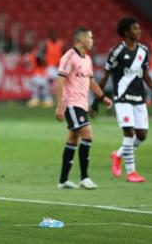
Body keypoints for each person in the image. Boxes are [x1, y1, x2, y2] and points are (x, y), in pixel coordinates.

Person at [92, 17, 152, 182]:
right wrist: (96, 100)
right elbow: (105, 75)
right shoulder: (116, 52)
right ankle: (131, 172)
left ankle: (118, 155)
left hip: (138, 97)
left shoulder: (143, 51)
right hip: (122, 97)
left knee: (141, 135)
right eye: (135, 29)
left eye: (139, 28)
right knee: (129, 132)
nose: (139, 31)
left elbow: (145, 75)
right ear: (126, 32)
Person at [55, 27, 112, 189]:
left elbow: (91, 82)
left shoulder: (87, 59)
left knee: (73, 139)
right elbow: (60, 82)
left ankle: (63, 180)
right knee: (88, 135)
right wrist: (60, 106)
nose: (92, 40)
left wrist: (103, 97)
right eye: (90, 37)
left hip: (82, 104)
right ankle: (84, 177)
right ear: (81, 39)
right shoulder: (69, 57)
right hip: (71, 103)